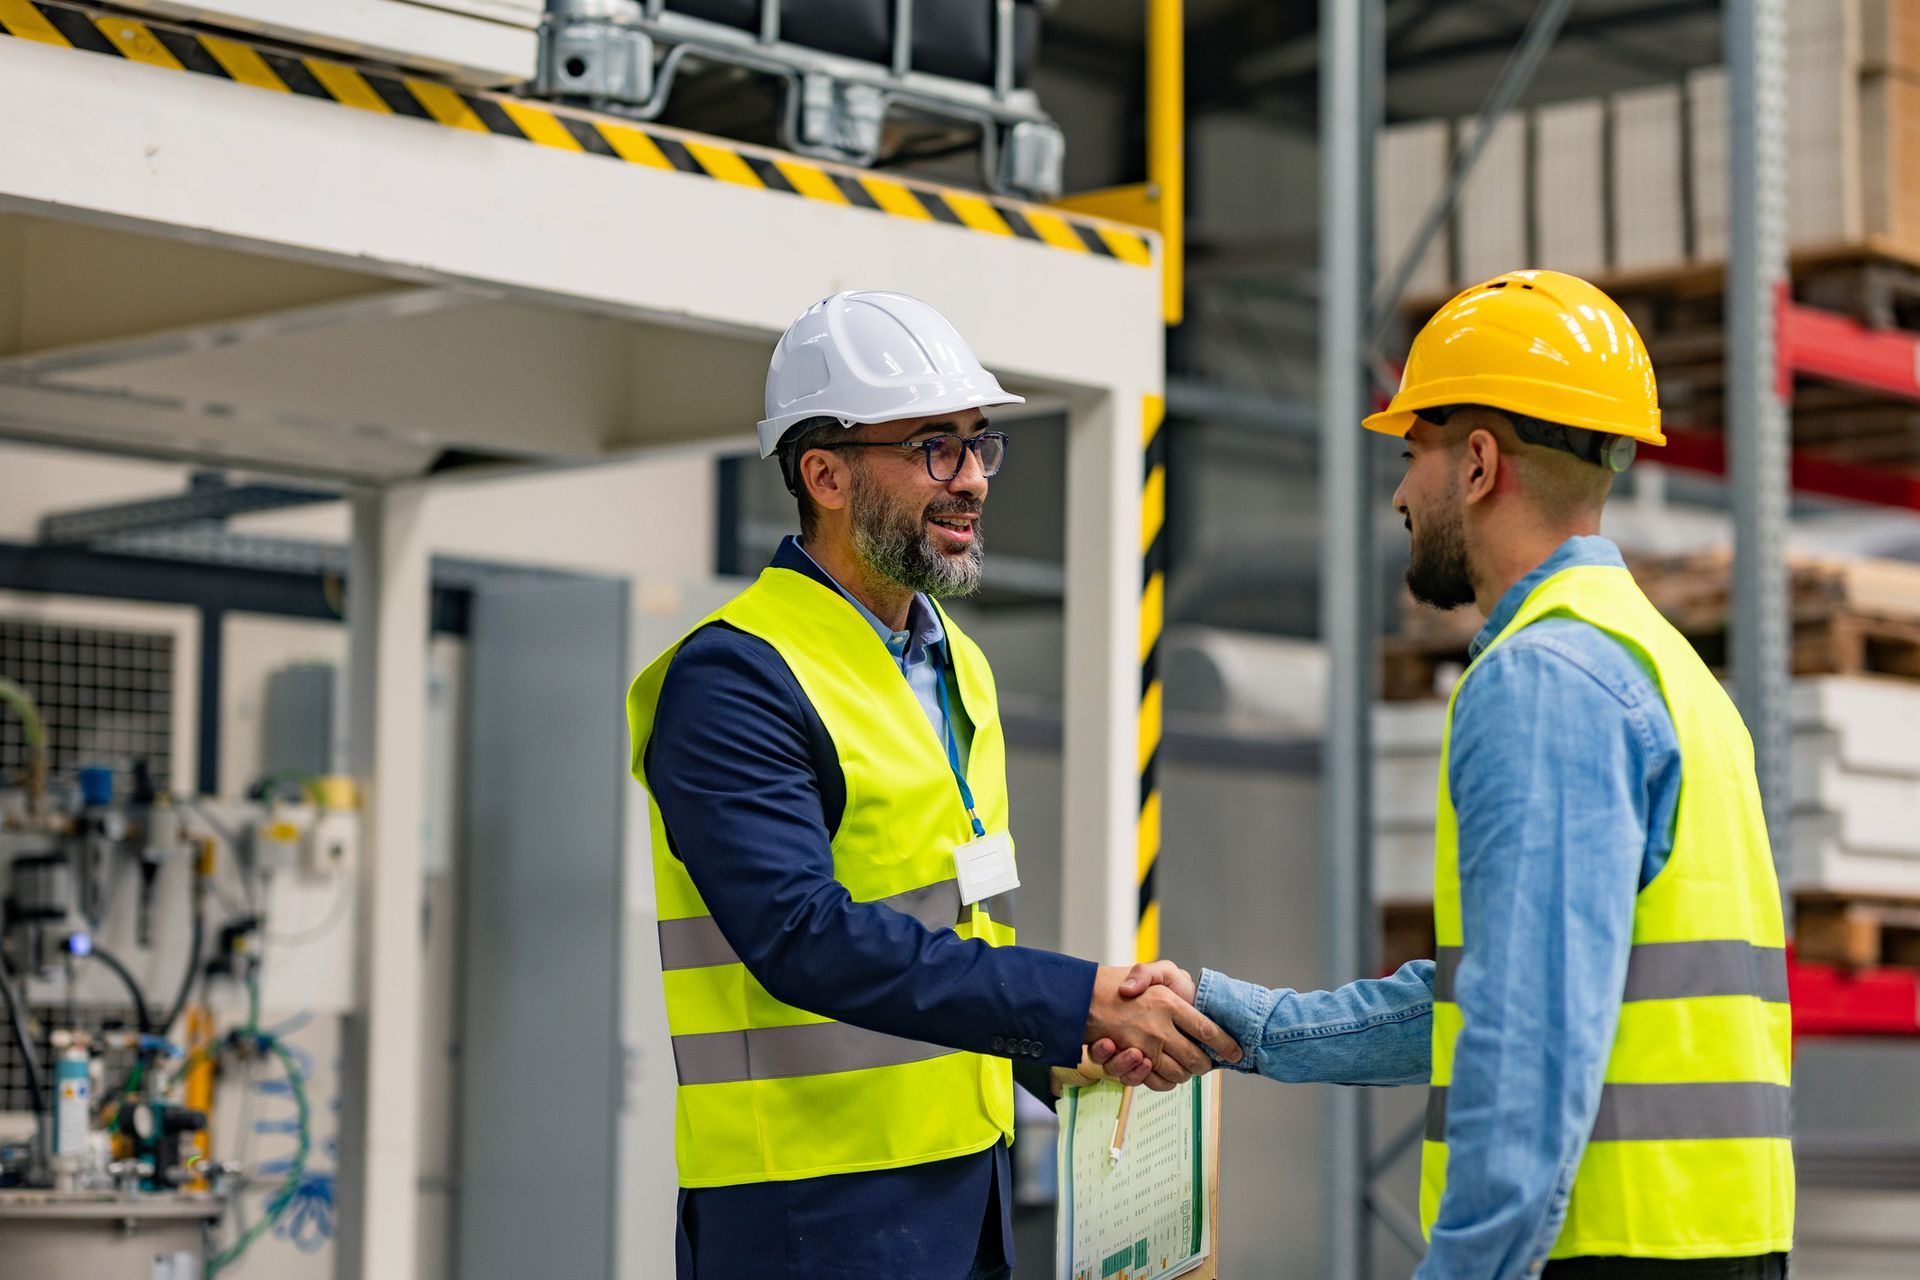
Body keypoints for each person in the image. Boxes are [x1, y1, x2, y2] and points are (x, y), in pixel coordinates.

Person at [1099, 270, 1794, 1279]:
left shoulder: (1544, 679)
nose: (1398, 490)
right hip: (1698, 1243)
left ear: (1476, 463)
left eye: (1412, 451)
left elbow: (1527, 1055)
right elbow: (1478, 999)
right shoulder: (1656, 661)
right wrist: (1234, 1019)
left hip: (1599, 1252)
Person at [626, 289, 1239, 1280]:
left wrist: (1062, 1050)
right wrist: (1075, 996)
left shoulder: (955, 663)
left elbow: (955, 935)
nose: (973, 481)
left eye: (976, 444)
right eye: (933, 449)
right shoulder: (734, 679)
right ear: (823, 472)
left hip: (965, 1191)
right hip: (807, 1209)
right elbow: (801, 934)